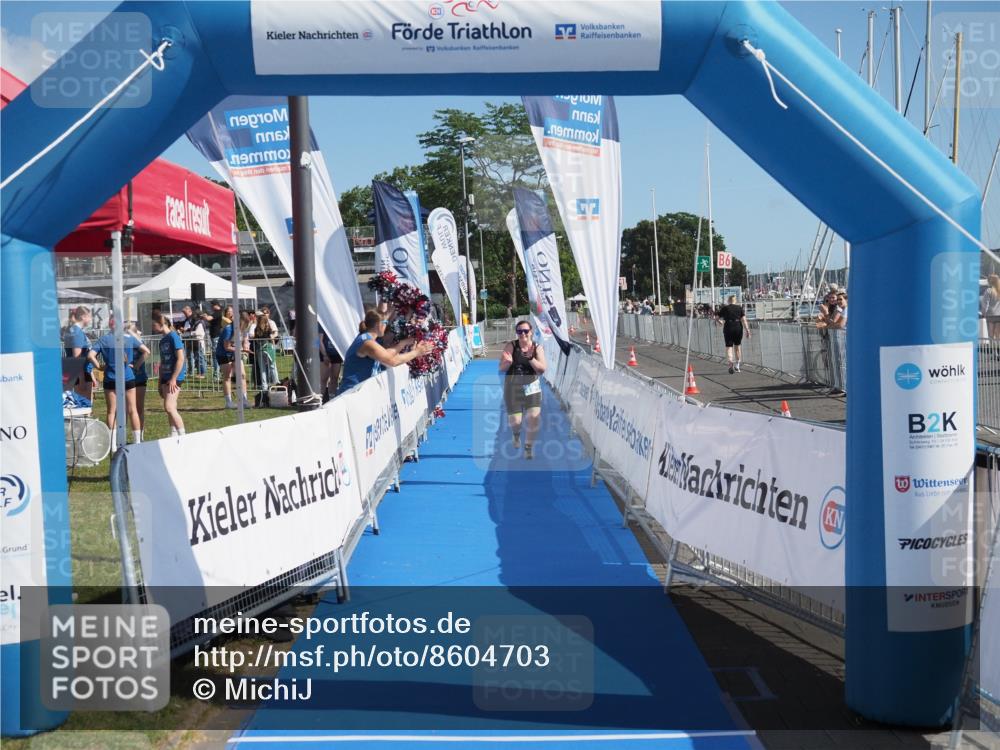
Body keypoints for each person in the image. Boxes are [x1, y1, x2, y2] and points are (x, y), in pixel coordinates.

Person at [336, 309, 434, 396]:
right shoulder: (367, 343)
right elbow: (392, 361)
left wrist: (403, 343)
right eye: (385, 322)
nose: (386, 325)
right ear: (379, 324)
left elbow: (387, 354)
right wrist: (416, 352)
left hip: (358, 393)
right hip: (351, 394)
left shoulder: (368, 338)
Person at [88, 316, 146, 446]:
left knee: (111, 411)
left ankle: (113, 444)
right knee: (133, 410)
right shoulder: (130, 339)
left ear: (110, 325)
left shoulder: (104, 339)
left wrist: (99, 366)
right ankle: (137, 442)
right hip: (128, 377)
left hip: (111, 377)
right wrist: (136, 365)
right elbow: (145, 351)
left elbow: (90, 355)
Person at [499, 320, 547, 459]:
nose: (523, 334)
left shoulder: (537, 348)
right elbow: (501, 368)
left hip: (532, 386)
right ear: (517, 333)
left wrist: (531, 358)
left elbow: (542, 369)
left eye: (526, 331)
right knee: (516, 422)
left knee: (533, 417)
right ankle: (516, 434)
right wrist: (507, 363)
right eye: (520, 331)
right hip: (513, 387)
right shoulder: (511, 346)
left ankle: (528, 447)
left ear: (531, 332)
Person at [152, 311, 186, 436]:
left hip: (175, 377)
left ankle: (183, 434)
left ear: (161, 323)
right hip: (166, 376)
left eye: (154, 324)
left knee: (169, 407)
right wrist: (160, 382)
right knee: (171, 408)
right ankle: (173, 433)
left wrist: (173, 378)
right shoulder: (162, 341)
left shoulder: (173, 336)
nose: (152, 327)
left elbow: (180, 358)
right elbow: (162, 362)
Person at [215, 305, 249, 409]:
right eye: (244, 323)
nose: (245, 326)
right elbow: (227, 346)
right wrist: (241, 350)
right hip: (223, 354)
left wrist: (246, 345)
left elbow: (245, 339)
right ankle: (228, 402)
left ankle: (244, 400)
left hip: (235, 353)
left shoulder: (244, 329)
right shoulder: (228, 329)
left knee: (242, 375)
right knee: (227, 376)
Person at [63, 305, 94, 398]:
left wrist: (91, 374)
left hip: (82, 372)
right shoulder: (77, 332)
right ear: (83, 317)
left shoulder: (73, 330)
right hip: (81, 373)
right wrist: (82, 379)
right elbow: (77, 357)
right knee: (84, 406)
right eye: (89, 316)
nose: (90, 319)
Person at [124, 322, 149, 432]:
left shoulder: (138, 341)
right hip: (127, 378)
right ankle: (122, 435)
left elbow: (146, 352)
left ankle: (140, 435)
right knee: (125, 408)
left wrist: (136, 366)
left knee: (139, 408)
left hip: (139, 378)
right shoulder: (125, 341)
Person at [717, 295, 751, 373]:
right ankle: (737, 365)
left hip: (728, 327)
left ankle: (730, 363)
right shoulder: (739, 308)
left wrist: (721, 322)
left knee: (729, 347)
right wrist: (748, 331)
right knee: (737, 347)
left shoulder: (725, 308)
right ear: (735, 301)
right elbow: (744, 320)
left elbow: (716, 318)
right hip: (738, 327)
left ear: (728, 301)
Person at [319, 330, 343, 402]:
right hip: (325, 354)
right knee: (323, 379)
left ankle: (332, 399)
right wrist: (325, 355)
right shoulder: (321, 324)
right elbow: (318, 341)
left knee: (335, 378)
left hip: (336, 354)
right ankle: (320, 400)